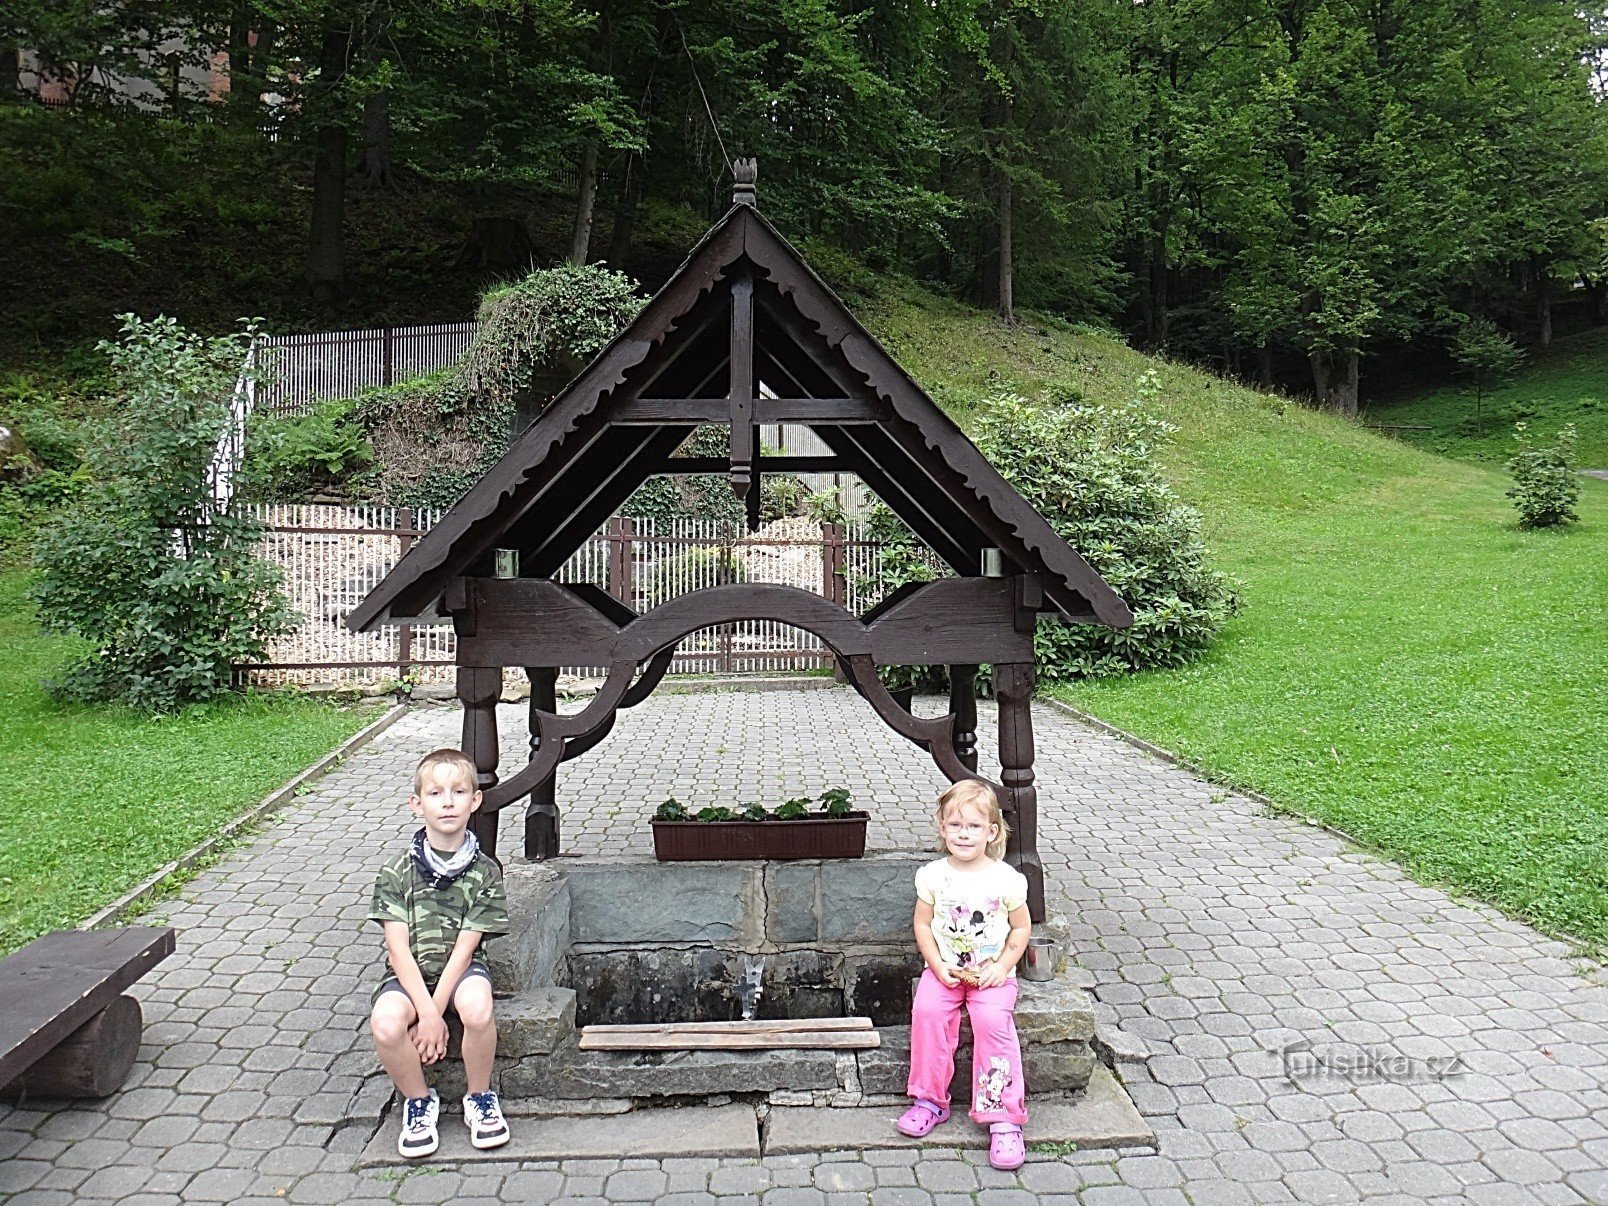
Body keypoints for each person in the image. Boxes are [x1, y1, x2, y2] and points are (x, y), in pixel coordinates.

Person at [367, 748, 510, 1157]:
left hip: (460, 971)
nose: (447, 802)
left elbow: (466, 948)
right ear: (417, 804)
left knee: (479, 1009)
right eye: (435, 793)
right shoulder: (396, 871)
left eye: (459, 791)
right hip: (407, 974)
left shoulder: (484, 871)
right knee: (386, 1022)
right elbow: (397, 950)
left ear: (475, 801)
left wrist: (436, 1011)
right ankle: (418, 1099)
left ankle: (479, 1098)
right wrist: (427, 1015)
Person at [897, 779, 1033, 1170]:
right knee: (928, 1014)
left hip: (991, 976)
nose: (963, 833)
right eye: (955, 825)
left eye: (973, 826)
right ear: (942, 828)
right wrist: (937, 965)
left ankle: (1003, 1116)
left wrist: (1003, 967)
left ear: (991, 832)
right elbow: (922, 925)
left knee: (992, 1022)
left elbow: (1021, 929)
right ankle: (929, 1100)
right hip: (944, 972)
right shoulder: (933, 876)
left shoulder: (1007, 879)